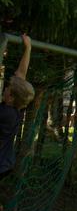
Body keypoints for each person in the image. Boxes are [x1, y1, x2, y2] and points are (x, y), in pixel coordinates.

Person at [0, 34, 34, 182]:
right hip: (5, 163)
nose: (5, 88)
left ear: (11, 97)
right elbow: (21, 74)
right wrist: (28, 48)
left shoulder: (5, 113)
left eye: (7, 88)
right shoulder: (16, 106)